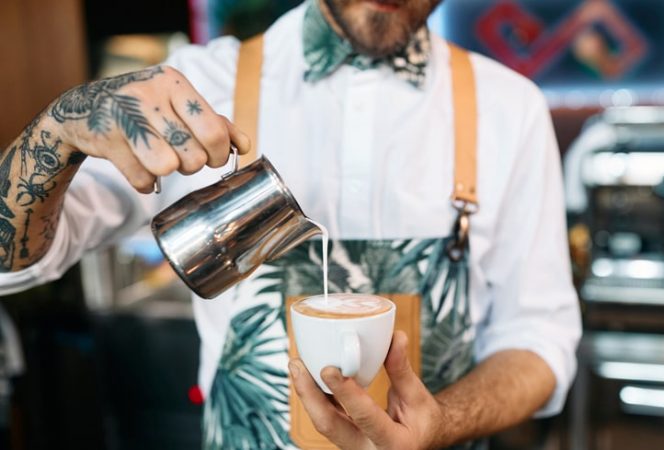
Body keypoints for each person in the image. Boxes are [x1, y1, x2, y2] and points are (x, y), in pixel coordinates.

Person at [0, 0, 581, 448]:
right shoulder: (196, 84)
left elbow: (538, 340)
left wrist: (443, 422)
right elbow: (10, 265)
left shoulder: (509, 106)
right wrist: (56, 131)